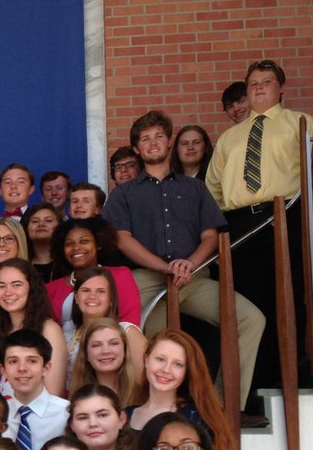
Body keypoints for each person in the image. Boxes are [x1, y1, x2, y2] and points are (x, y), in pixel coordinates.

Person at [104, 110, 265, 412]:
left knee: (251, 318)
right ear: (137, 149)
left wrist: (188, 264)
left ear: (169, 142)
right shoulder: (122, 194)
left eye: (159, 137)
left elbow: (210, 237)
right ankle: (151, 411)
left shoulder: (195, 188)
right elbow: (122, 239)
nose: (152, 143)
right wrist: (164, 266)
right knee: (150, 346)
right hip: (145, 281)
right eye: (145, 139)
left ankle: (222, 406)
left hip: (192, 278)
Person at [206, 59, 313, 411]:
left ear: (280, 88)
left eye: (266, 82)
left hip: (285, 216)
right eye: (253, 82)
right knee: (247, 305)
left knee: (287, 296)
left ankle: (290, 375)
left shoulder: (301, 123)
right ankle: (254, 382)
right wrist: (222, 225)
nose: (258, 87)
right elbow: (212, 189)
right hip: (240, 226)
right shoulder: (230, 137)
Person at [128, 328, 237, 450]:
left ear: (187, 372)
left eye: (178, 364)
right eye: (160, 359)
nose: (166, 370)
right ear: (146, 360)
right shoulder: (124, 416)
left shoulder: (195, 418)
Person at [0, 258, 67, 398]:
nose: (8, 292)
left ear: (31, 288)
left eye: (16, 285)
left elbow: (54, 393)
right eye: (1, 286)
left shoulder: (48, 330)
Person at [46, 216, 141, 327]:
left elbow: (130, 322)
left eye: (84, 241)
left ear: (98, 244)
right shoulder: (50, 289)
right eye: (69, 244)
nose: (76, 247)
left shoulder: (119, 276)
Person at [0, 328, 68, 450]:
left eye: (32, 361)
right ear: (3, 370)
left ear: (46, 368)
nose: (22, 368)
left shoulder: (67, 413)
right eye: (13, 361)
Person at [71, 316, 142, 406]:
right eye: (96, 345)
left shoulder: (144, 396)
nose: (106, 351)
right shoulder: (76, 402)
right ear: (86, 355)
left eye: (113, 343)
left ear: (124, 351)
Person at [21, 203, 63, 282]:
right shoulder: (19, 266)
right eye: (35, 221)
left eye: (48, 220)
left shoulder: (68, 265)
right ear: (27, 228)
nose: (41, 224)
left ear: (60, 226)